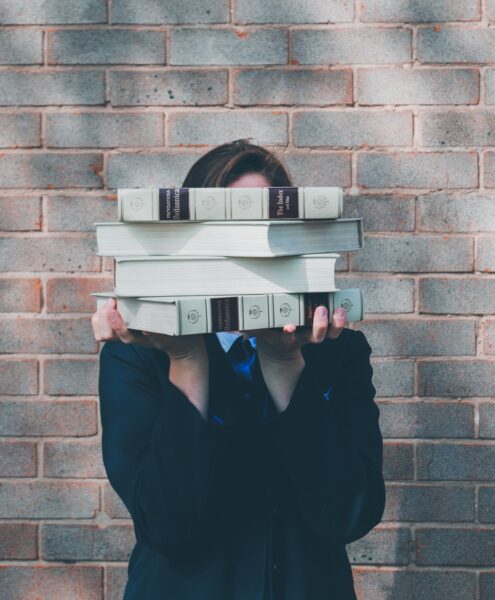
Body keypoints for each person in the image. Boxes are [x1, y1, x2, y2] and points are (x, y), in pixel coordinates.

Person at [92, 139, 386, 600]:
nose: (245, 258)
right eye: (224, 236)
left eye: (261, 233)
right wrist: (186, 360)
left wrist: (285, 363)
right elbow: (168, 523)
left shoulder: (337, 350)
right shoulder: (139, 351)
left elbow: (349, 515)